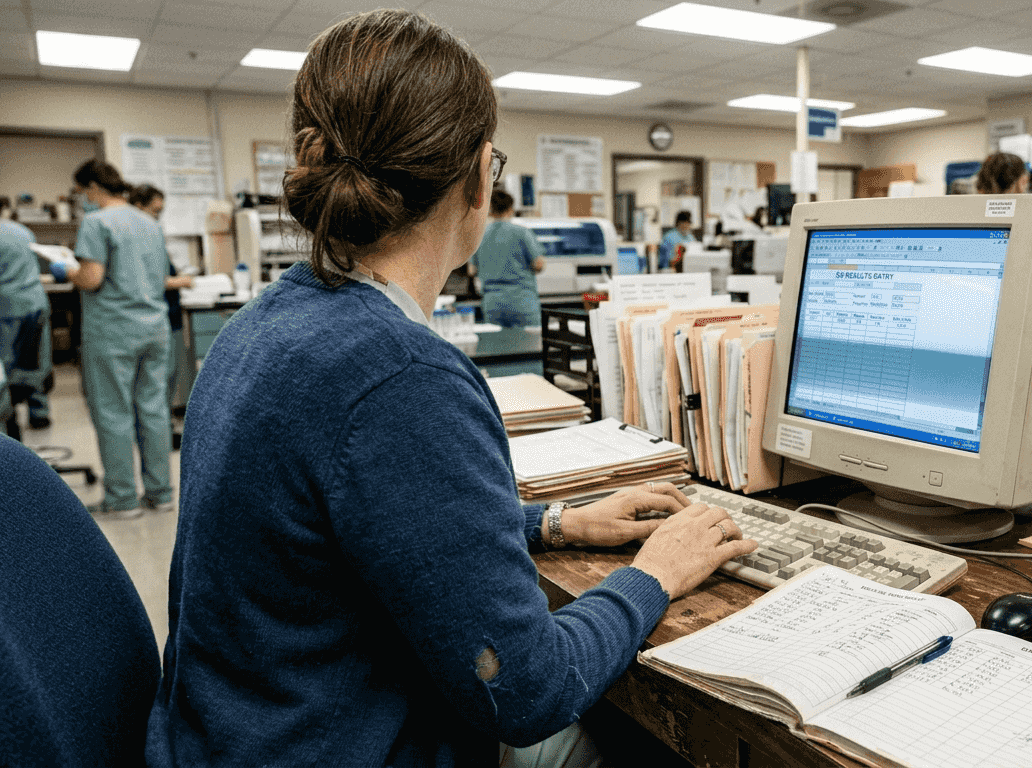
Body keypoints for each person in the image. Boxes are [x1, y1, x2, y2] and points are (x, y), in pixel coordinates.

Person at [145, 10, 756, 768]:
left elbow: (362, 524)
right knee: (642, 745)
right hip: (332, 746)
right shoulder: (401, 376)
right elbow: (528, 691)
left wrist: (556, 524)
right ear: (477, 177)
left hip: (236, 733)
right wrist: (654, 573)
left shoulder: (266, 323)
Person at [68, 160, 174, 519]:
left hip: (113, 331)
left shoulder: (96, 223)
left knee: (113, 412)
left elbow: (92, 278)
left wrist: (67, 270)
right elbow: (159, 277)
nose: (83, 200)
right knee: (154, 409)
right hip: (154, 328)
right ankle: (161, 494)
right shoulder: (149, 222)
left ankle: (123, 499)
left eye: (82, 193)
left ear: (94, 188)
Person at [127, 184, 194, 410]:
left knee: (170, 374)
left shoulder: (151, 234)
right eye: (155, 211)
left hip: (169, 315)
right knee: (160, 381)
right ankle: (159, 428)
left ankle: (162, 427)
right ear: (138, 207)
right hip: (157, 317)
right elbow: (149, 279)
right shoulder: (136, 238)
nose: (158, 217)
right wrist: (179, 282)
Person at [0, 217, 51, 438]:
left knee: (6, 365)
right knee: (36, 359)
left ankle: (7, 417)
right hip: (35, 303)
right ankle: (39, 412)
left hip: (7, 306)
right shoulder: (23, 231)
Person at [471, 188, 544, 327]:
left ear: (490, 210)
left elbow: (471, 270)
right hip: (522, 301)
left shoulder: (479, 235)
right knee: (530, 345)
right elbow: (539, 264)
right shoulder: (522, 232)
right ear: (511, 209)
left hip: (492, 303)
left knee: (498, 345)